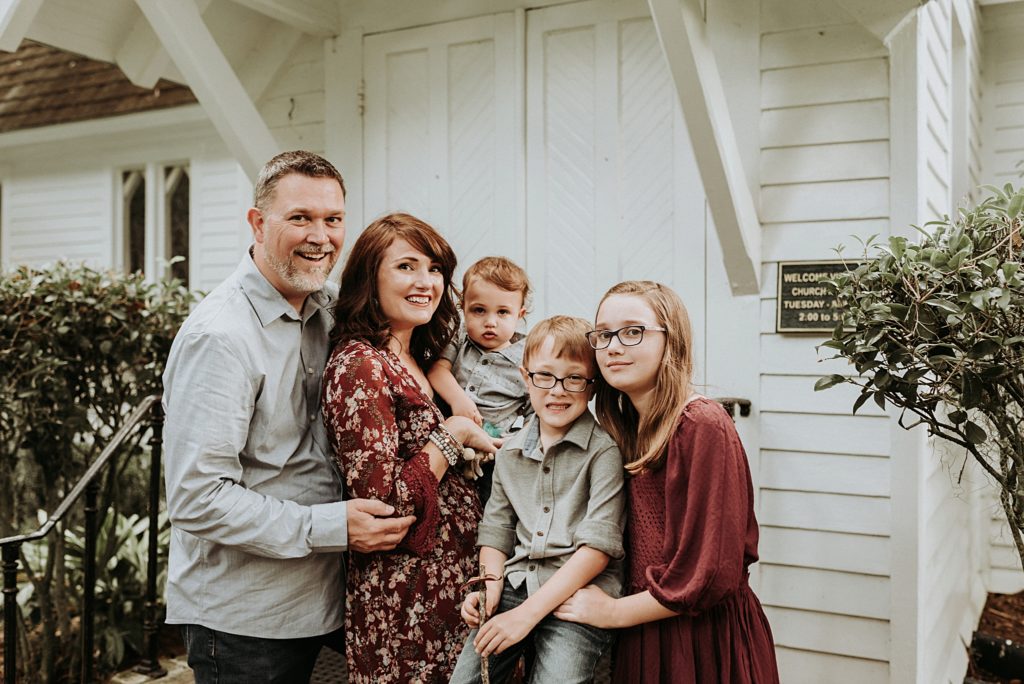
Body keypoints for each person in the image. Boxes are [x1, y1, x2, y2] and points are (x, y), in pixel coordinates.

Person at [162, 151, 416, 683]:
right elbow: (196, 496)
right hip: (246, 619)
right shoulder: (220, 338)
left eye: (333, 219)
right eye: (300, 218)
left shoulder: (327, 312)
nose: (320, 236)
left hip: (326, 600)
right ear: (258, 223)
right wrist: (332, 526)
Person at [554, 280, 779, 684]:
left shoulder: (701, 425)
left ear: (670, 342)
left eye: (633, 331)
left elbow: (710, 571)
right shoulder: (624, 429)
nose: (613, 346)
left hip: (698, 640)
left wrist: (612, 613)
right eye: (603, 334)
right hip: (644, 631)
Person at [321, 212, 501, 683]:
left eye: (435, 269)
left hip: (457, 591)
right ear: (369, 278)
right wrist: (456, 433)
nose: (426, 282)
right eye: (406, 267)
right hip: (406, 601)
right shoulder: (360, 364)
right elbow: (385, 505)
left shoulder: (421, 359)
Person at [450, 315, 625, 684]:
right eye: (544, 376)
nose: (557, 390)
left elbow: (598, 548)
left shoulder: (603, 452)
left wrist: (526, 616)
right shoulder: (510, 452)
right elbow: (497, 531)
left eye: (574, 378)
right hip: (516, 585)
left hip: (577, 595)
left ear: (592, 386)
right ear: (524, 376)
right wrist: (491, 585)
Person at [427, 256, 533, 502]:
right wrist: (459, 400)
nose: (490, 322)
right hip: (448, 440)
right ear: (463, 307)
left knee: (492, 501)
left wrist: (513, 441)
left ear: (520, 314)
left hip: (492, 449)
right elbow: (437, 370)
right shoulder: (459, 337)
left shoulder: (527, 357)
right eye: (479, 310)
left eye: (503, 312)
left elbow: (534, 409)